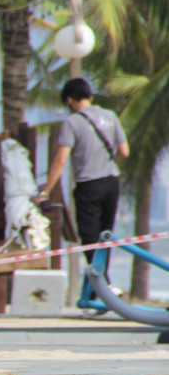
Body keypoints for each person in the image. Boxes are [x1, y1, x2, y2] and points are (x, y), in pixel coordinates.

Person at [36, 78, 129, 252]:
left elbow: (61, 160)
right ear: (90, 97)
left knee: (89, 239)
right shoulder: (111, 116)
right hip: (111, 183)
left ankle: (98, 277)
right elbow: (124, 151)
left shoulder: (72, 122)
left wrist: (46, 191)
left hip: (89, 186)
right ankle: (102, 276)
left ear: (69, 100)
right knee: (105, 236)